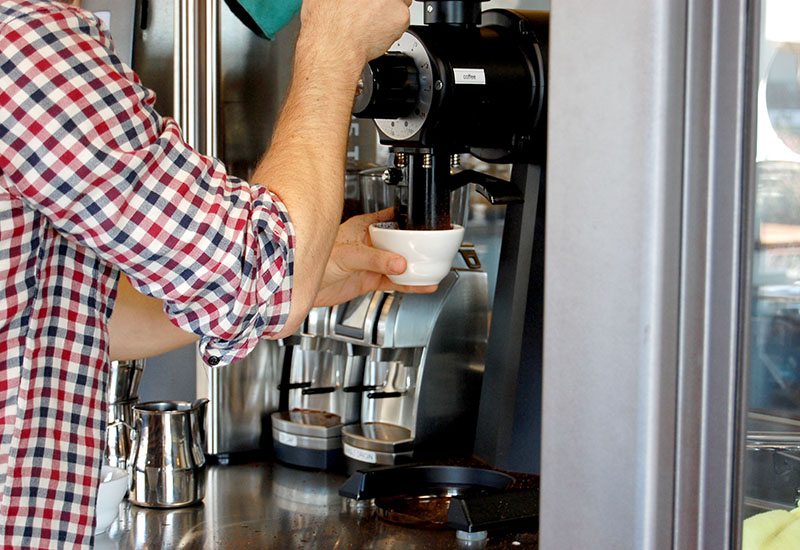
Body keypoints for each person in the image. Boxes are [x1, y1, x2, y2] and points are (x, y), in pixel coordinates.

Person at [0, 0, 424, 546]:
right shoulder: (25, 47)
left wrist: (310, 272)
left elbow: (56, 321)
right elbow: (261, 274)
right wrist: (333, 43)